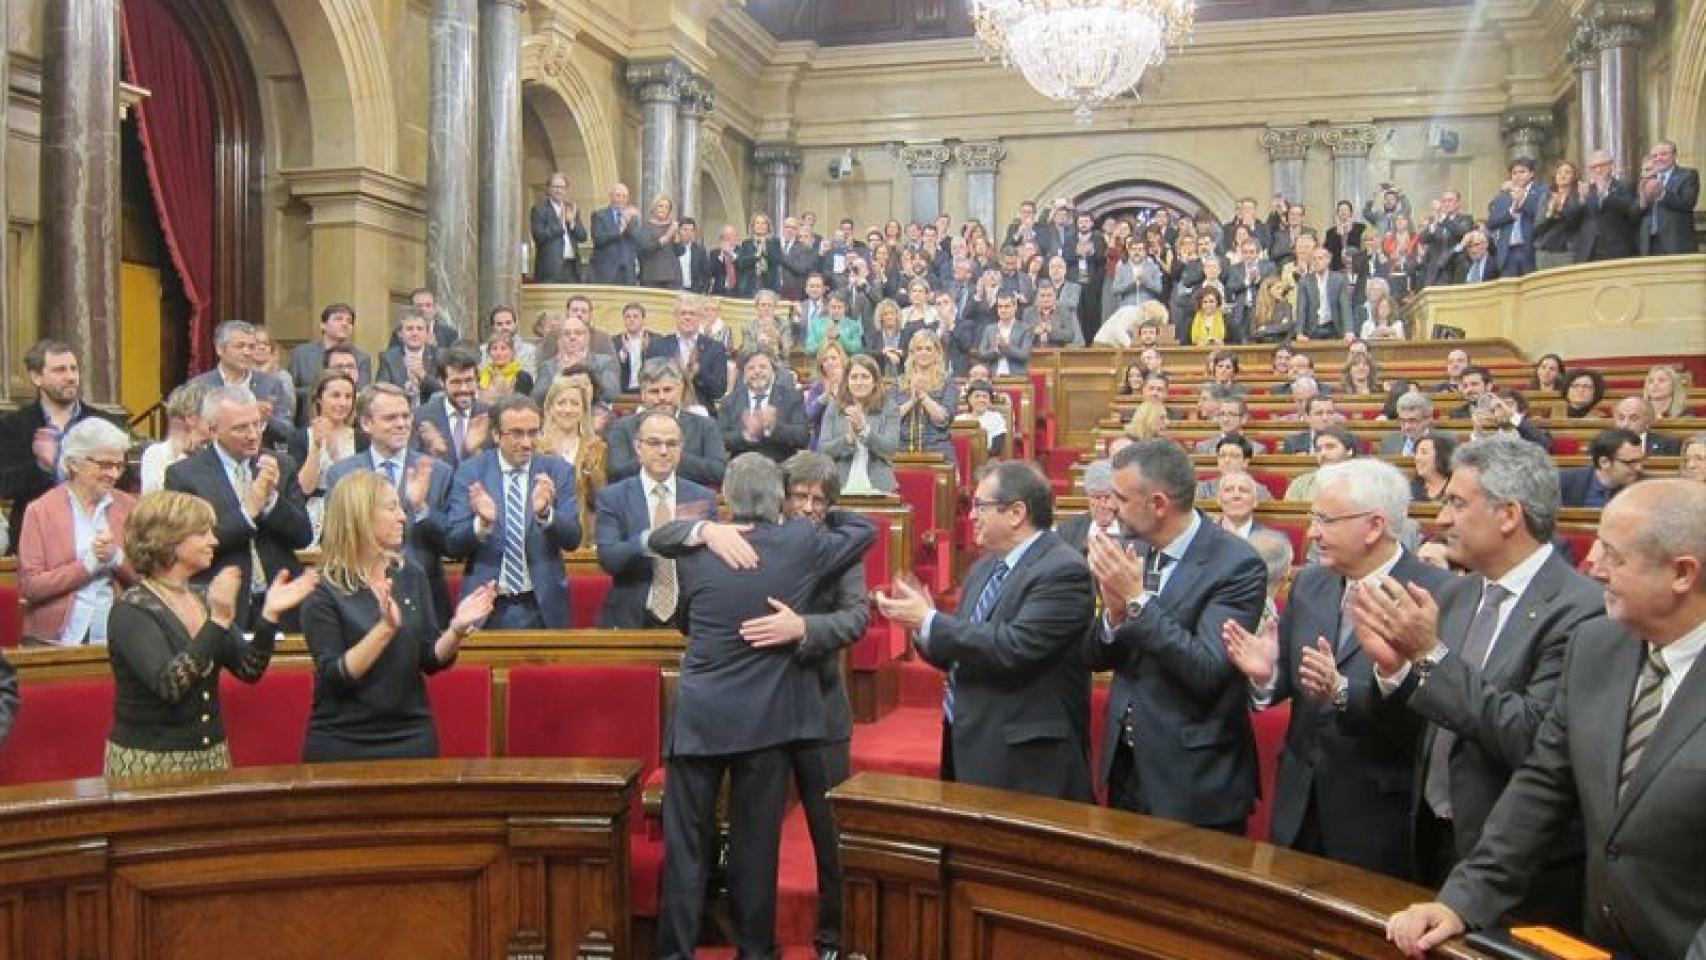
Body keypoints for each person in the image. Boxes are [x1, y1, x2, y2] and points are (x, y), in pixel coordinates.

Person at [1384, 479, 1706, 960]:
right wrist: (1462, 900)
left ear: (1682, 573)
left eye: (1614, 555)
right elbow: (1543, 785)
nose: (1591, 564)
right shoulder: (1597, 645)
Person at [1350, 435, 1604, 928]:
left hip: (1521, 868)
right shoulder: (1459, 593)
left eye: (1456, 503)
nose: (1442, 519)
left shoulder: (1581, 611)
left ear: (1508, 515)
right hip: (1434, 839)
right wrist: (1395, 672)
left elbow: (1531, 738)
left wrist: (1428, 654)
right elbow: (1430, 722)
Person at [646, 454, 875, 960]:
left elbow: (674, 588)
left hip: (715, 717)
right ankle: (755, 951)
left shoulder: (697, 552)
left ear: (727, 495)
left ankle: (675, 953)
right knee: (756, 848)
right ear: (780, 499)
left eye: (821, 501)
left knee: (687, 847)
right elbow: (865, 528)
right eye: (801, 498)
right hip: (764, 723)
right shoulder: (800, 541)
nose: (810, 508)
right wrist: (710, 528)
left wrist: (705, 530)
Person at [1226, 459, 1450, 880]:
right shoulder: (1311, 583)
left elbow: (1435, 715)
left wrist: (1344, 690)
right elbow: (1293, 682)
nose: (1311, 533)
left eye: (1325, 520)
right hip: (1298, 805)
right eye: (1313, 519)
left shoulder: (1433, 596)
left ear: (1373, 526)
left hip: (1377, 816)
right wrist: (1265, 675)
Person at [877, 460, 1097, 800]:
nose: (971, 516)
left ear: (1016, 513)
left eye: (980, 506)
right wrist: (921, 626)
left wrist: (931, 621)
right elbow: (963, 648)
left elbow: (1014, 647)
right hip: (969, 742)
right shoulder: (983, 568)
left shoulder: (1063, 570)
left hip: (1027, 764)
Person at [1084, 439, 1268, 833]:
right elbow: (1095, 657)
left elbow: (1206, 669)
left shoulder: (1236, 564)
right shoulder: (1131, 546)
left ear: (1159, 504)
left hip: (1195, 778)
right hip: (1127, 764)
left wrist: (1135, 601)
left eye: (1120, 497)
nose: (1110, 506)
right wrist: (1114, 617)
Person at [104, 491, 317, 777]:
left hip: (212, 757)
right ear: (170, 541)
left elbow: (249, 669)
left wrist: (269, 616)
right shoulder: (131, 610)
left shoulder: (204, 598)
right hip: (151, 763)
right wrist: (217, 620)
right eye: (202, 533)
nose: (214, 541)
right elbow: (170, 685)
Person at [300, 472, 495, 761]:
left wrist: (456, 630)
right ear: (360, 516)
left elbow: (430, 659)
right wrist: (385, 629)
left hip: (411, 733)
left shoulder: (409, 574)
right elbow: (335, 678)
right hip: (344, 740)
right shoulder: (322, 590)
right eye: (391, 508)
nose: (403, 517)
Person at [164, 386, 313, 629]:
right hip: (221, 605)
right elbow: (188, 545)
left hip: (279, 601)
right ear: (212, 430)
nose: (253, 435)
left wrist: (271, 501)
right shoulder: (184, 475)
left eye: (257, 424)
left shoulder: (281, 465)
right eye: (240, 428)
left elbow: (303, 536)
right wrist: (248, 512)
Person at [325, 382, 456, 631]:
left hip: (424, 596)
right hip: (360, 598)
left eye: (406, 416)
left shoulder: (438, 472)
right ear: (367, 424)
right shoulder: (342, 475)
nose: (401, 424)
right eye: (390, 418)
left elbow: (450, 543)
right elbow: (337, 539)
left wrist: (420, 508)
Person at [445, 394, 582, 630]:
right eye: (517, 433)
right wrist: (482, 525)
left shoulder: (558, 471)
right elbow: (453, 544)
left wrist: (546, 514)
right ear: (496, 435)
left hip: (542, 606)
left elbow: (572, 539)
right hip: (486, 605)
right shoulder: (471, 473)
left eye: (533, 432)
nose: (527, 443)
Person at [0, 340, 129, 554]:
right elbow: (5, 484)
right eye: (60, 370)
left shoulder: (105, 423)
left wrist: (68, 466)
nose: (70, 377)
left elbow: (123, 480)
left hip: (99, 534)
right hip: (38, 537)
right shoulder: (13, 426)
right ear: (36, 377)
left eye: (74, 369)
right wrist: (42, 466)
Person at [17, 419, 138, 646]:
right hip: (53, 639)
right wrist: (87, 566)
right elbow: (31, 587)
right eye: (104, 465)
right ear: (74, 463)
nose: (113, 474)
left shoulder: (130, 508)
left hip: (117, 637)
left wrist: (117, 558)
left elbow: (148, 579)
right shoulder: (40, 511)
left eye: (119, 466)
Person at [593, 410, 718, 629]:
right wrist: (648, 541)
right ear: (638, 447)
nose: (663, 451)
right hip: (631, 617)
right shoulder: (613, 497)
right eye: (654, 443)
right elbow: (609, 558)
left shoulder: (702, 498)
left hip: (689, 618)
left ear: (681, 449)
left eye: (672, 444)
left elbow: (712, 564)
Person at [606, 358, 729, 488]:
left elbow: (718, 470)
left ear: (680, 389)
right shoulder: (622, 427)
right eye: (654, 391)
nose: (662, 398)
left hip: (691, 502)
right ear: (642, 394)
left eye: (668, 390)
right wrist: (654, 459)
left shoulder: (706, 426)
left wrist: (674, 458)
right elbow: (616, 471)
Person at [189, 321, 296, 445]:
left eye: (251, 347)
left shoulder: (271, 385)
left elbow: (288, 432)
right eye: (240, 346)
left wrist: (265, 420)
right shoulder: (199, 385)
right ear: (220, 349)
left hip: (259, 459)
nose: (247, 352)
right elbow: (191, 429)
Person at [290, 369, 364, 543]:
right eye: (335, 396)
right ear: (318, 398)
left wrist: (335, 454)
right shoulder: (300, 437)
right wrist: (316, 447)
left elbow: (357, 487)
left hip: (350, 515)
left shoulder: (362, 439)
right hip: (312, 515)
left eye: (348, 397)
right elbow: (303, 489)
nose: (343, 402)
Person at [819, 353, 900, 496]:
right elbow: (823, 449)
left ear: (875, 381)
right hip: (839, 484)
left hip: (879, 485)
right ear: (847, 382)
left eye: (865, 377)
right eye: (854, 377)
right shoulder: (834, 407)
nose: (859, 382)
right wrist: (848, 440)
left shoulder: (889, 408)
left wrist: (865, 431)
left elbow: (891, 449)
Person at [537, 376, 608, 539]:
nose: (567, 410)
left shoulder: (597, 448)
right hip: (541, 534)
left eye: (574, 403)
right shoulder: (536, 448)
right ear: (550, 408)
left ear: (584, 409)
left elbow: (600, 500)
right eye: (561, 403)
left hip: (581, 536)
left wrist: (592, 474)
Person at [720, 348, 811, 465]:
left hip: (780, 468)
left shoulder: (791, 397)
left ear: (773, 371)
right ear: (744, 374)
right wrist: (746, 435)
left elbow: (803, 437)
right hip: (742, 470)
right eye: (751, 368)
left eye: (762, 367)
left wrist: (773, 428)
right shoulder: (730, 401)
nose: (757, 372)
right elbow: (720, 439)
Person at [645, 296, 730, 416]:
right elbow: (647, 383)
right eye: (683, 313)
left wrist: (699, 372)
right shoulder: (658, 346)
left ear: (700, 317)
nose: (687, 317)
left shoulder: (715, 348)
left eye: (692, 313)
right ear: (675, 316)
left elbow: (719, 391)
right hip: (663, 413)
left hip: (702, 415)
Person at [413, 346, 490, 471]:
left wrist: (472, 451)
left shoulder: (490, 416)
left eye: (469, 381)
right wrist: (438, 454)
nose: (464, 389)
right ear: (442, 382)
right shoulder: (421, 417)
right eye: (456, 382)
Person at [286, 303, 372, 411]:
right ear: (323, 325)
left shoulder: (362, 358)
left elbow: (362, 394)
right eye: (338, 319)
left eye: (349, 321)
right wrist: (321, 390)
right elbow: (289, 391)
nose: (345, 324)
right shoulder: (301, 354)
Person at [895, 329, 959, 466]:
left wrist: (923, 397)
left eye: (928, 349)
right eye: (919, 349)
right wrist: (912, 401)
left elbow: (944, 418)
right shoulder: (900, 381)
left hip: (938, 449)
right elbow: (891, 417)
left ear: (937, 353)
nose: (923, 353)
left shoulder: (947, 381)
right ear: (912, 353)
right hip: (902, 449)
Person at [140, 382, 212, 494]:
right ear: (191, 418)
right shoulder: (157, 454)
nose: (218, 422)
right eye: (212, 416)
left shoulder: (214, 452)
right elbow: (156, 501)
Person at [1635, 138, 1701, 256]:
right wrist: (1642, 200)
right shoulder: (1647, 178)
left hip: (1676, 242)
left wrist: (1662, 193)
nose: (1658, 158)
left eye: (1663, 154)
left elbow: (1688, 203)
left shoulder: (1688, 175)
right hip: (1649, 243)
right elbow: (1634, 214)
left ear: (1674, 156)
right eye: (1654, 156)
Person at [1574, 150, 1639, 263]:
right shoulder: (1585, 190)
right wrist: (1582, 200)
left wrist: (1604, 193)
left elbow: (1629, 210)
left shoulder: (1624, 186)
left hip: (1616, 249)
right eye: (1594, 167)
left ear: (1610, 166)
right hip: (1589, 249)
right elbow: (1573, 221)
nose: (1598, 170)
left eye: (1602, 165)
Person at [1485, 157, 1546, 278]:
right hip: (1508, 252)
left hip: (1530, 249)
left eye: (1522, 172)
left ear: (1532, 173)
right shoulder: (1504, 195)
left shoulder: (1542, 191)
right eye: (1514, 173)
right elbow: (1491, 223)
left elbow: (1541, 215)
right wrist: (1511, 213)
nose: (1518, 176)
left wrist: (1522, 200)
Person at [1559, 428, 1646, 508]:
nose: (1639, 468)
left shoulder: (1647, 486)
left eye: (1640, 460)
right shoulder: (1564, 482)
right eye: (1631, 462)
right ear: (1604, 462)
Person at [529, 171, 587, 283]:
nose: (558, 190)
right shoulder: (539, 209)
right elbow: (539, 236)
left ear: (566, 190)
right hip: (550, 268)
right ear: (549, 189)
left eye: (562, 187)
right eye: (555, 187)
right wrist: (560, 224)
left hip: (572, 267)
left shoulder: (571, 208)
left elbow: (583, 237)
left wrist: (572, 222)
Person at [377, 310, 442, 405]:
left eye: (419, 329)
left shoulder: (440, 355)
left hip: (431, 411)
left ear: (427, 334)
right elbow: (381, 389)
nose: (415, 333)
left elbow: (444, 391)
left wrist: (423, 376)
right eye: (409, 329)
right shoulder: (388, 357)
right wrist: (405, 390)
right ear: (400, 334)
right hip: (398, 409)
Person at [1285, 425, 1359, 502]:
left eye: (1330, 447)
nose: (1323, 453)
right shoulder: (1301, 483)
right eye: (1318, 449)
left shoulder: (1365, 482)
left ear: (1349, 451)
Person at [1533, 161, 1584, 271]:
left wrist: (1560, 208)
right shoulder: (1545, 197)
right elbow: (1537, 226)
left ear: (1574, 176)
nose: (1562, 175)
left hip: (1566, 251)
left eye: (1567, 172)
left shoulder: (1578, 197)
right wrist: (1550, 212)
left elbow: (1575, 222)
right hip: (1544, 251)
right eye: (1559, 172)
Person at [589, 182, 639, 284]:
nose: (621, 199)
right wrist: (620, 228)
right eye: (618, 196)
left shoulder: (632, 218)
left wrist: (634, 220)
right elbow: (598, 239)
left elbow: (638, 240)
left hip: (627, 270)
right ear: (611, 197)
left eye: (624, 197)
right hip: (606, 270)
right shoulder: (599, 215)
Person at [1613, 396, 1683, 457]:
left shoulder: (1669, 445)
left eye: (1633, 418)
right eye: (1621, 418)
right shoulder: (1605, 444)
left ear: (1647, 422)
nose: (1625, 424)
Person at [1381, 390, 1446, 456]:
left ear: (1428, 420)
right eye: (1402, 421)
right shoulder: (1389, 440)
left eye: (1412, 421)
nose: (1406, 427)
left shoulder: (1444, 443)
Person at [1411, 434, 1457, 504]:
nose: (1417, 458)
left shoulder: (1456, 487)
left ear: (1440, 456)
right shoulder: (1411, 489)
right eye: (1416, 453)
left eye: (1424, 453)